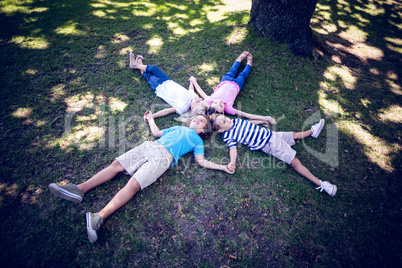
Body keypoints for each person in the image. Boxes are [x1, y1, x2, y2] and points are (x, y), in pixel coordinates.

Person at [49, 112, 233, 243]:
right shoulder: (177, 127)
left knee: (133, 185)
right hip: (149, 146)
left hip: (163, 158)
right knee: (115, 166)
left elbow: (201, 161)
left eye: (201, 121)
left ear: (203, 130)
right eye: (196, 117)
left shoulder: (198, 141)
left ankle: (98, 216)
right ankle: (79, 189)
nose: (197, 120)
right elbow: (156, 133)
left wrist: (223, 167)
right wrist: (151, 119)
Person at [210, 114, 337, 196]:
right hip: (269, 143)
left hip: (270, 134)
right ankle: (321, 184)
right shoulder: (228, 136)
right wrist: (232, 162)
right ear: (221, 130)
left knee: (293, 135)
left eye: (226, 118)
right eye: (225, 122)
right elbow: (233, 149)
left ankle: (312, 132)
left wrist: (264, 120)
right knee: (294, 161)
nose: (228, 120)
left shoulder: (236, 121)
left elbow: (250, 122)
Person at [190, 51, 276, 125]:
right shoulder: (229, 109)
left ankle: (239, 59)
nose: (220, 101)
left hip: (225, 80)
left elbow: (201, 92)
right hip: (237, 85)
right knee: (243, 74)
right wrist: (266, 118)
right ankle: (249, 64)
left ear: (211, 104)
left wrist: (194, 81)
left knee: (233, 69)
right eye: (220, 105)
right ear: (223, 112)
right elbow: (247, 115)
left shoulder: (209, 100)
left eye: (216, 102)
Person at [129, 52, 208, 118]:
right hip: (167, 81)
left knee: (148, 75)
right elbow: (191, 90)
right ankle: (138, 65)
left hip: (160, 88)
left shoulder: (183, 107)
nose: (199, 99)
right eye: (201, 100)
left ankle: (137, 65)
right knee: (154, 68)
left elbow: (167, 111)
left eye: (198, 102)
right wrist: (191, 82)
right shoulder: (193, 97)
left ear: (193, 108)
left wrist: (153, 116)